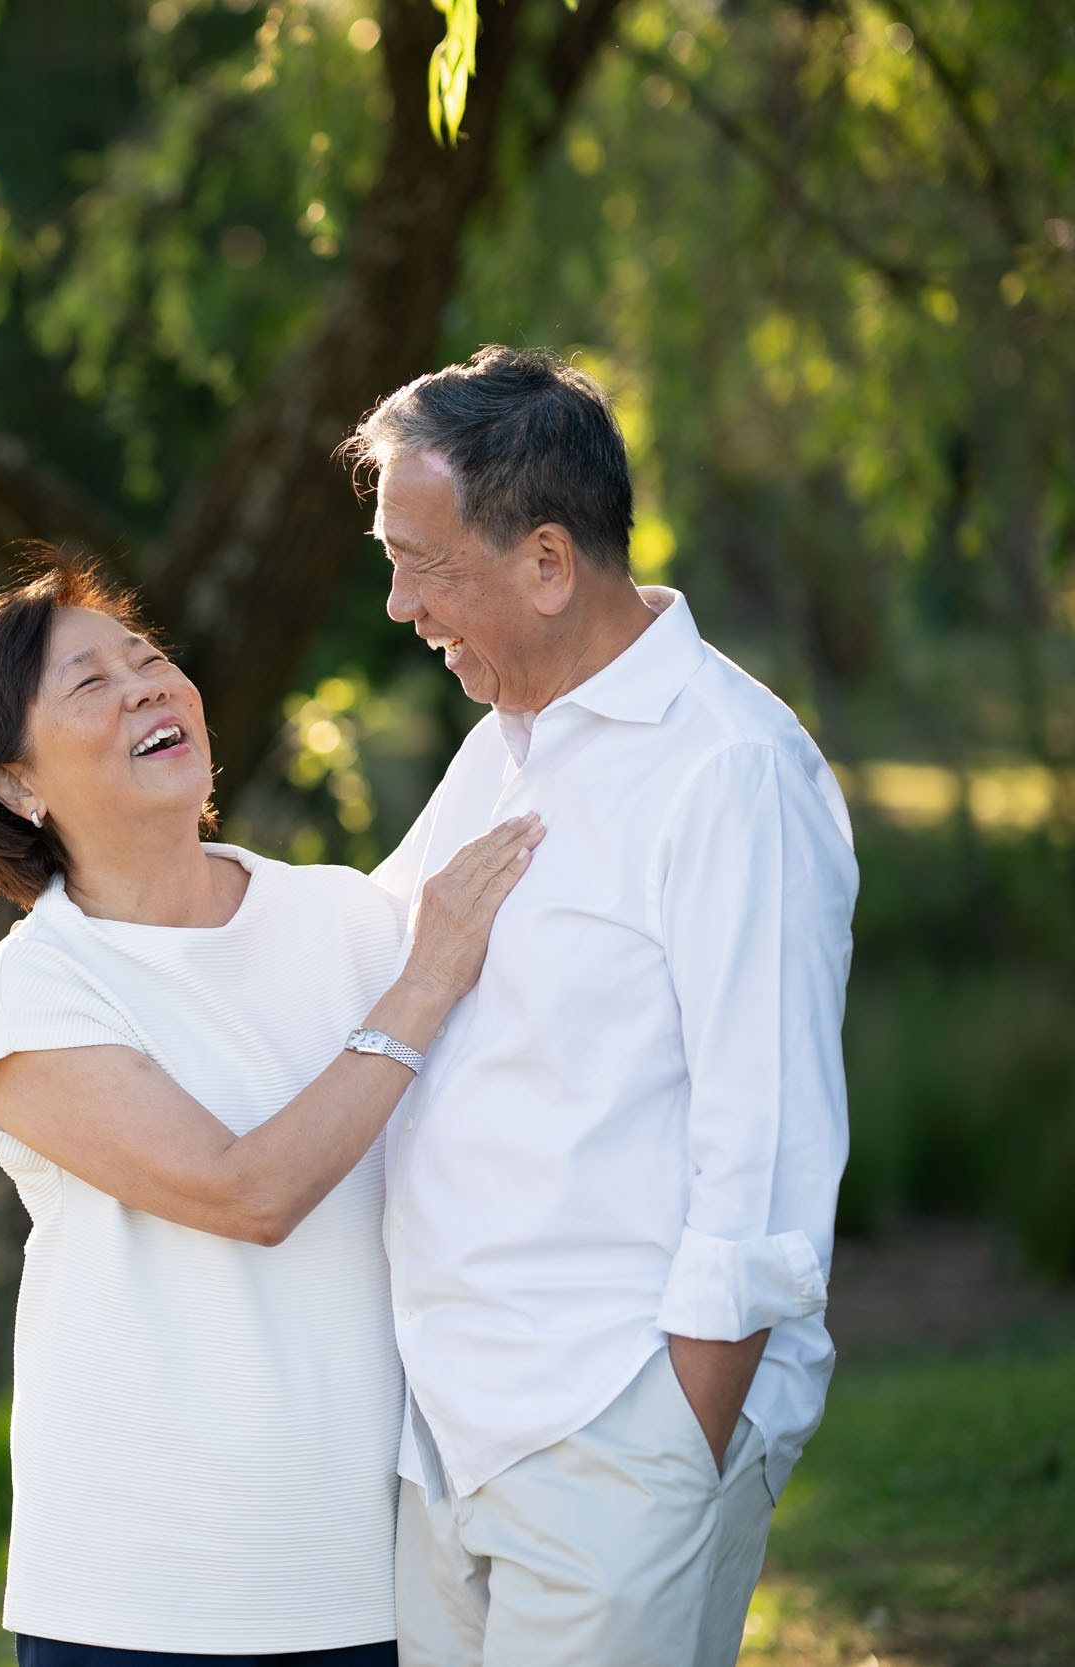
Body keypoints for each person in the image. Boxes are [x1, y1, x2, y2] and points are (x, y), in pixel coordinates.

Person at [0, 554, 543, 1666]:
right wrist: (428, 978)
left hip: (370, 1573)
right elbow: (246, 1192)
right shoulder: (32, 993)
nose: (147, 685)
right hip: (137, 1598)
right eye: (90, 683)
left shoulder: (347, 919)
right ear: (14, 784)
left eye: (147, 658)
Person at [342, 347, 856, 1667]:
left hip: (612, 1435)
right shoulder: (500, 746)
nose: (400, 604)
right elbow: (359, 951)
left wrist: (675, 1439)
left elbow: (765, 1143)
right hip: (447, 1436)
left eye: (422, 564)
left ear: (547, 562)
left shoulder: (729, 769)